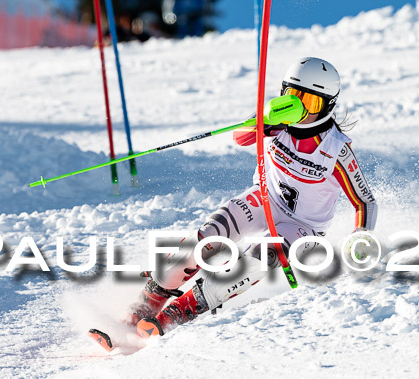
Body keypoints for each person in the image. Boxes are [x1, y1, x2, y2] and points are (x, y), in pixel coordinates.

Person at [129, 57, 378, 339]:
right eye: (294, 96)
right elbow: (240, 137)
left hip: (303, 226)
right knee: (207, 239)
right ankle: (145, 304)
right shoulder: (279, 119)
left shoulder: (335, 150)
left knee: (257, 259)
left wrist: (361, 235)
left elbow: (364, 201)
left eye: (311, 103)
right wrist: (262, 122)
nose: (301, 109)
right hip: (264, 199)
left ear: (327, 106)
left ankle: (177, 313)